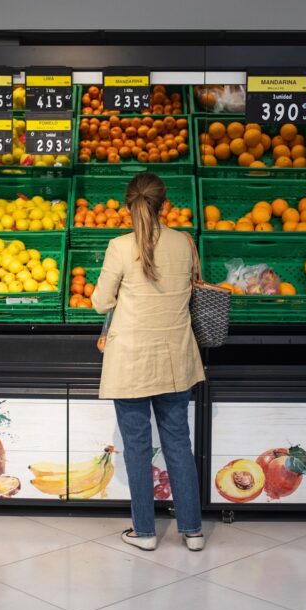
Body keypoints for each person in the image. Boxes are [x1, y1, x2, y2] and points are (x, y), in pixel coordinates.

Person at [92, 173, 206, 552]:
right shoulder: (184, 242)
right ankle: (192, 531)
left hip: (131, 361)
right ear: (164, 204)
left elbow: (101, 301)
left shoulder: (119, 247)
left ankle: (144, 532)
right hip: (175, 358)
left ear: (129, 206)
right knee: (178, 443)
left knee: (137, 447)